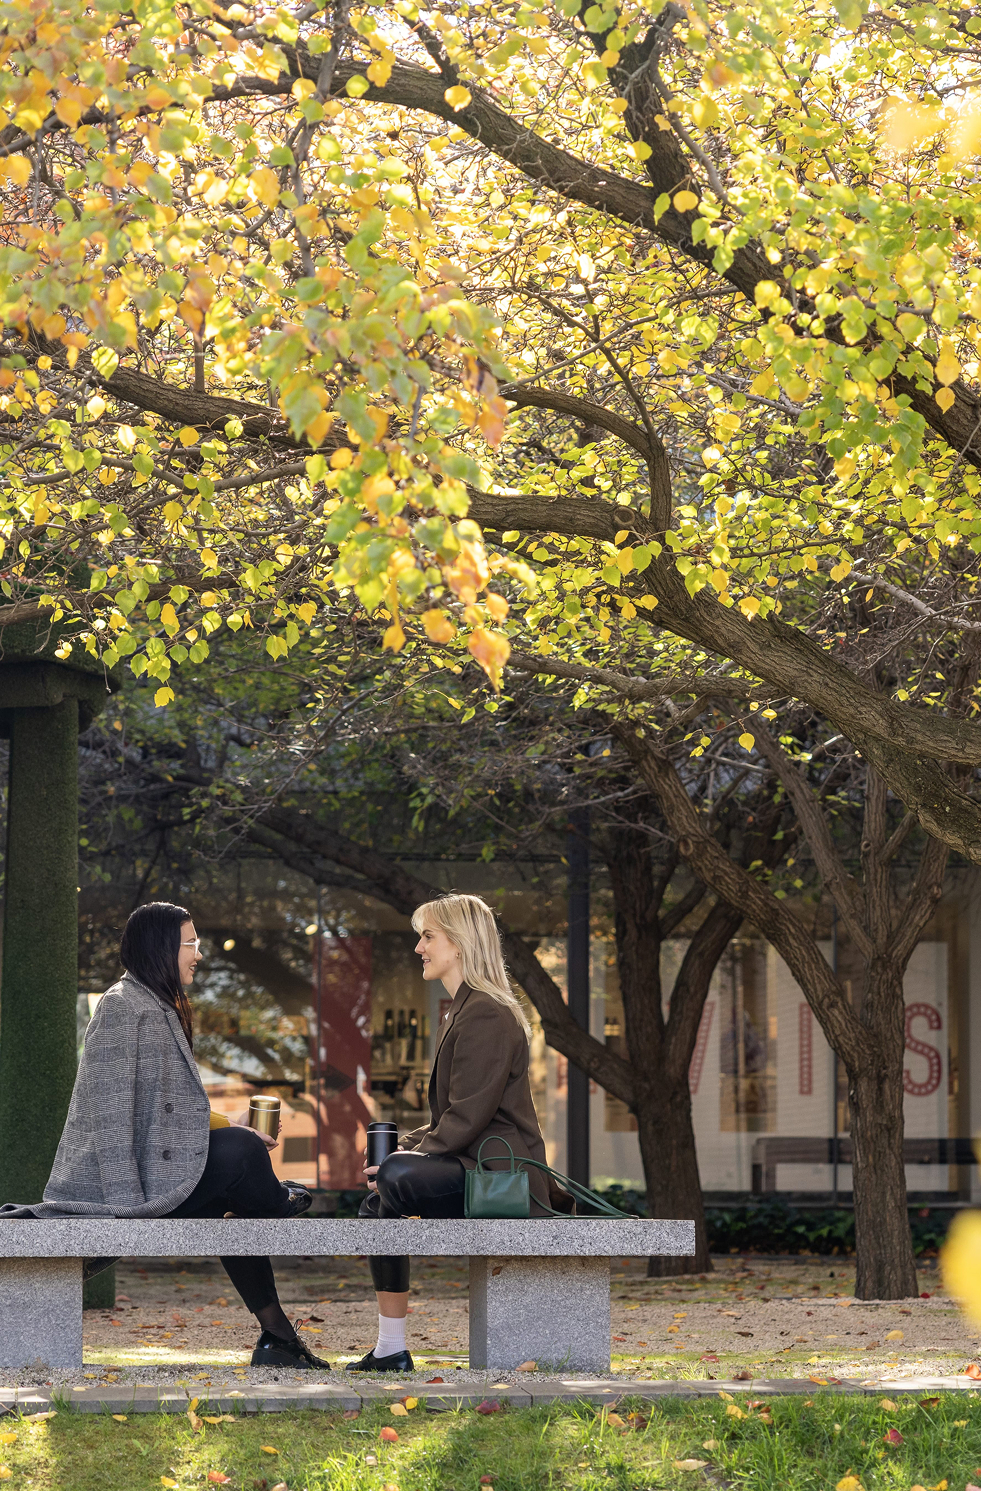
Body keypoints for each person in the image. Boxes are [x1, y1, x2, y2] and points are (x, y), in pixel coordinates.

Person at [0, 901, 327, 1371]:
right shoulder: (121, 1006)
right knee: (244, 1155)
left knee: (233, 1189)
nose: (198, 954)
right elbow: (108, 1112)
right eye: (190, 943)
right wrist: (128, 1205)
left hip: (161, 1175)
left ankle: (278, 1339)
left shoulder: (156, 1004)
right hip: (134, 1188)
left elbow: (165, 1107)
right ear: (162, 946)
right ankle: (275, 1202)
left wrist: (224, 1124)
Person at [348, 892, 572, 1373]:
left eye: (428, 936)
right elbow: (456, 1115)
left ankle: (392, 1349)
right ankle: (391, 1348)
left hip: (502, 1178)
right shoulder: (467, 1009)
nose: (419, 948)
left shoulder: (487, 1011)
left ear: (461, 942)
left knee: (395, 1180)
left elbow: (466, 1119)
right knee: (380, 1197)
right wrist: (405, 1148)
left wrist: (400, 1162)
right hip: (474, 1165)